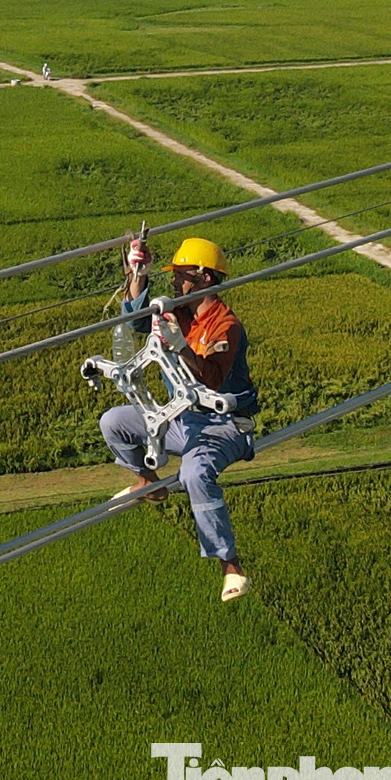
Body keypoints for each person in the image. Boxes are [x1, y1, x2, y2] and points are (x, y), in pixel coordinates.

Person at [99, 236, 260, 602]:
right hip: (182, 418)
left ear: (204, 277)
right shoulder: (179, 313)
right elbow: (138, 320)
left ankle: (230, 565)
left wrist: (183, 347)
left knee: (194, 474)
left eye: (180, 274)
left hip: (225, 425)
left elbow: (212, 378)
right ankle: (148, 483)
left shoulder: (226, 326)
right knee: (114, 422)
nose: (174, 281)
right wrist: (138, 274)